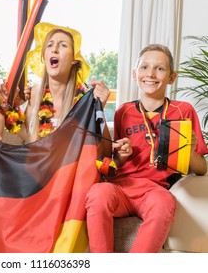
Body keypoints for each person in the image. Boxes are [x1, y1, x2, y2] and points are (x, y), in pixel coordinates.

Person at [85, 44, 208, 253]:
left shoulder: (183, 110)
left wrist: (188, 150)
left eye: (160, 68)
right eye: (144, 67)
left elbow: (202, 169)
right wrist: (121, 156)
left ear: (171, 77)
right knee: (98, 192)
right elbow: (115, 161)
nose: (150, 74)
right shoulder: (123, 111)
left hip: (155, 190)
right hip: (121, 187)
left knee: (164, 203)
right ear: (135, 74)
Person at [23, 22, 112, 155]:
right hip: (38, 171)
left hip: (71, 171)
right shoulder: (34, 94)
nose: (55, 49)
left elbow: (105, 153)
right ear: (44, 56)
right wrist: (8, 107)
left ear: (74, 60)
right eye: (49, 45)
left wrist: (98, 108)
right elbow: (26, 141)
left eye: (63, 45)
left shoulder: (85, 99)